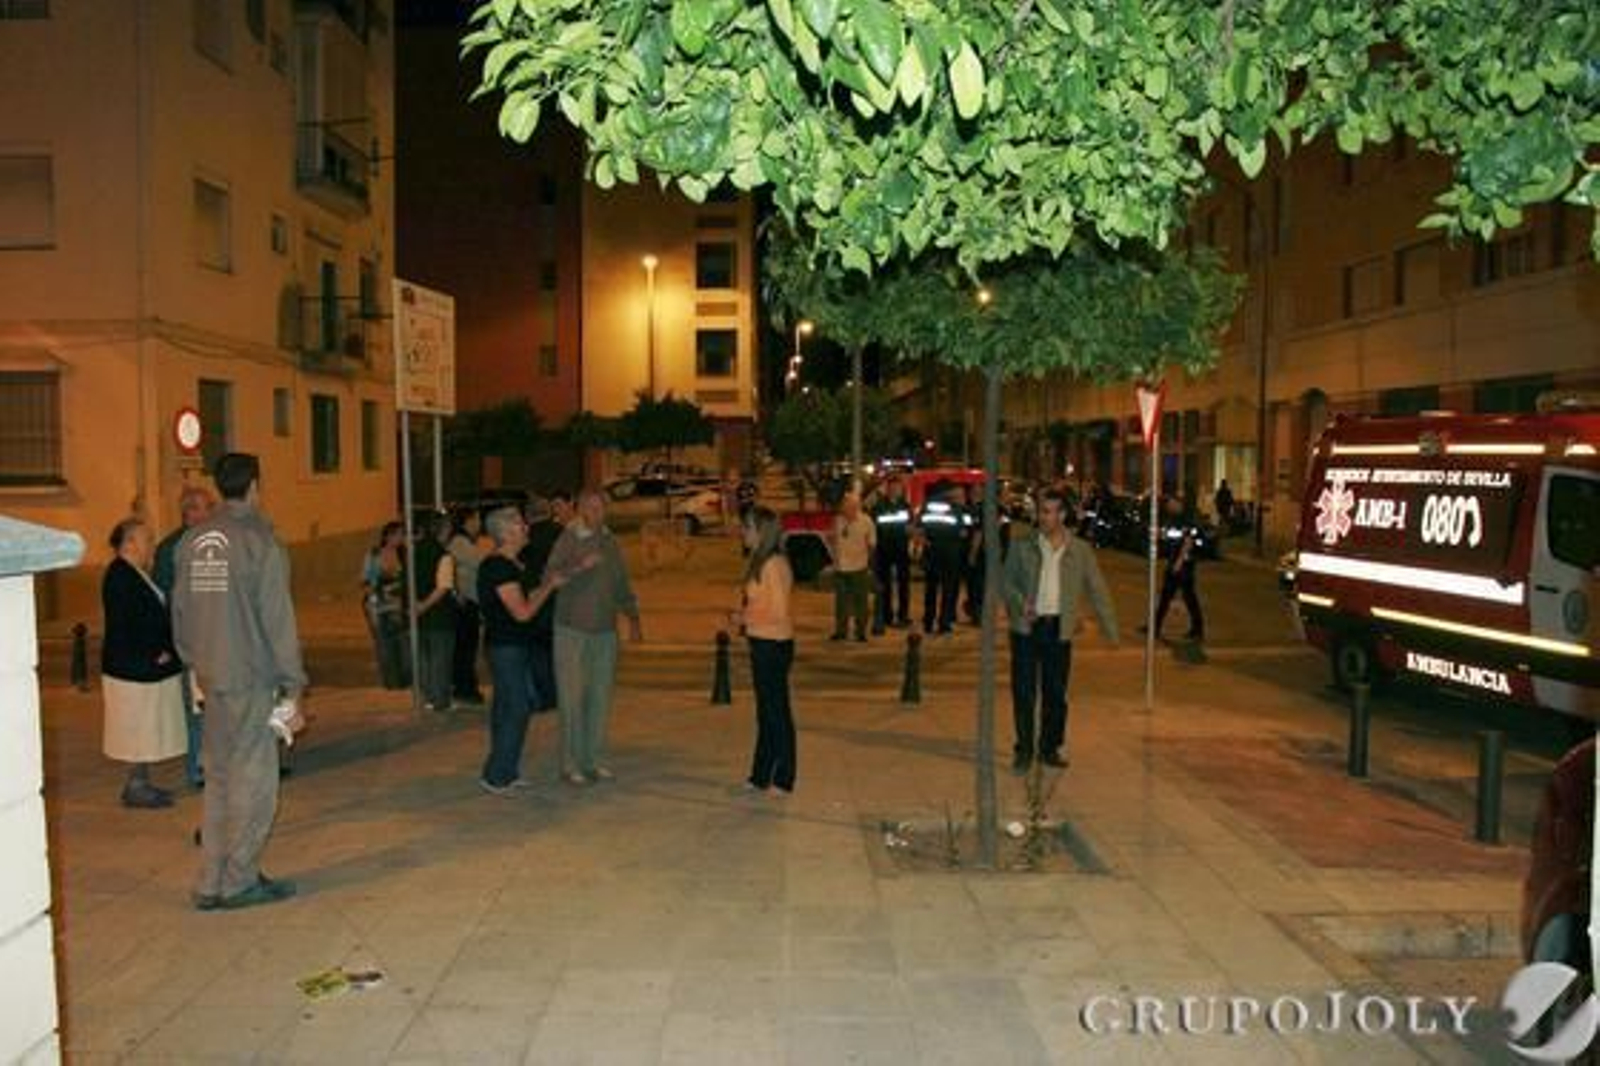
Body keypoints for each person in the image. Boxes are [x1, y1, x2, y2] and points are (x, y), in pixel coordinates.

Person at [172, 452, 307, 910]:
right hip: (250, 678)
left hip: (211, 677)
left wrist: (198, 663)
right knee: (256, 783)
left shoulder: (192, 540)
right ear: (254, 486)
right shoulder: (259, 541)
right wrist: (293, 683)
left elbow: (180, 613)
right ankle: (239, 879)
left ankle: (210, 880)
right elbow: (277, 619)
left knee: (219, 782)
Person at [1002, 489, 1119, 773]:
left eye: (1050, 511)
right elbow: (1006, 582)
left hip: (1059, 629)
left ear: (1062, 515)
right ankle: (1024, 750)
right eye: (1041, 511)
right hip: (1027, 629)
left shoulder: (1079, 550)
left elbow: (1097, 589)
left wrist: (1110, 629)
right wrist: (1021, 604)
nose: (1043, 517)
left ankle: (1049, 747)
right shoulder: (1022, 545)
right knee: (1024, 692)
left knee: (1055, 693)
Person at [476, 506, 585, 795]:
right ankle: (499, 776)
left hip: (516, 645)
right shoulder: (498, 567)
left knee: (509, 707)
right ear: (506, 532)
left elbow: (530, 598)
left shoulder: (515, 564)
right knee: (516, 708)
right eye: (521, 525)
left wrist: (554, 582)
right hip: (506, 647)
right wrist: (549, 586)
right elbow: (522, 613)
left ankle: (501, 771)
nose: (527, 528)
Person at [545, 489, 642, 786]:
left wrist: (633, 617)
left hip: (604, 631)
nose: (597, 512)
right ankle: (570, 763)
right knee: (572, 699)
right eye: (591, 507)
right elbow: (549, 577)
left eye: (601, 507)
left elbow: (621, 581)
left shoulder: (610, 541)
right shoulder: (568, 538)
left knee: (599, 698)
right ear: (580, 509)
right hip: (571, 629)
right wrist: (579, 566)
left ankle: (593, 760)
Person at [102, 517, 188, 808]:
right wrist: (155, 651)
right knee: (135, 729)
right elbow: (128, 622)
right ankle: (136, 786)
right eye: (147, 539)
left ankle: (140, 783)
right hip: (132, 667)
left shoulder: (134, 573)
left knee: (143, 728)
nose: (152, 544)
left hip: (140, 666)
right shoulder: (120, 575)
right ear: (129, 543)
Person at [731, 507, 797, 794]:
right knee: (766, 712)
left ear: (761, 531)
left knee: (776, 712)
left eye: (747, 528)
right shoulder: (763, 562)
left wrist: (743, 618)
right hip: (763, 641)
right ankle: (760, 774)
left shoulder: (772, 565)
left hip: (773, 643)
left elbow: (778, 611)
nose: (742, 533)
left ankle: (783, 776)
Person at [153, 485, 214, 789]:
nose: (209, 512)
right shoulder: (172, 549)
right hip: (189, 640)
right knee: (196, 708)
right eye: (204, 507)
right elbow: (163, 597)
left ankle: (211, 764)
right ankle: (196, 767)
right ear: (189, 512)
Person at [521, 495, 567, 711]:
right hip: (562, 602)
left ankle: (545, 696)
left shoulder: (525, 538)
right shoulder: (562, 534)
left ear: (528, 516)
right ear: (549, 512)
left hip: (535, 602)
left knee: (538, 653)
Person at [411, 511, 459, 712]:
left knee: (424, 659)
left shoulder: (412, 551)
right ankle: (441, 700)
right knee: (441, 659)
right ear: (443, 530)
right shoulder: (444, 555)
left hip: (418, 615)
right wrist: (425, 605)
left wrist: (415, 606)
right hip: (439, 615)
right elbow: (443, 587)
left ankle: (428, 697)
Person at [361, 522, 410, 690]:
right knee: (384, 646)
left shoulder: (404, 554)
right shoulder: (374, 555)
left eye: (402, 535)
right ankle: (391, 683)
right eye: (398, 534)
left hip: (399, 607)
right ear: (387, 536)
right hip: (379, 606)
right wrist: (374, 597)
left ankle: (405, 680)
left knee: (404, 645)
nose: (401, 538)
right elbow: (365, 581)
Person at [448, 507, 488, 705]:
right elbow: (482, 563)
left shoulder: (463, 542)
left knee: (465, 648)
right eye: (477, 519)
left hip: (467, 602)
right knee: (466, 649)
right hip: (464, 604)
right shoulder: (460, 543)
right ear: (468, 521)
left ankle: (463, 686)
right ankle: (465, 688)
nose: (479, 525)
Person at [1153, 498, 1206, 642]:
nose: (1169, 507)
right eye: (1168, 505)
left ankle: (1155, 627)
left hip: (1183, 565)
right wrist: (1161, 536)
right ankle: (1197, 629)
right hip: (1177, 562)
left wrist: (1178, 563)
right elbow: (1171, 537)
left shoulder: (1186, 520)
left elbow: (1188, 542)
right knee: (1181, 597)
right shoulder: (1174, 519)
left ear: (1179, 504)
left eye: (1171, 504)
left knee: (1176, 596)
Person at [917, 481, 964, 635]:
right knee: (948, 590)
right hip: (949, 553)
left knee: (930, 589)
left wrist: (924, 540)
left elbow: (918, 527)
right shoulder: (955, 507)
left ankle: (928, 622)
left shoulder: (927, 506)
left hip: (931, 552)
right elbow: (961, 531)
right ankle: (944, 624)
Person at [829, 492, 875, 642]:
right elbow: (832, 539)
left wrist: (867, 561)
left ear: (857, 507)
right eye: (845, 506)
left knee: (860, 602)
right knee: (841, 603)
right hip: (840, 568)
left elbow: (872, 543)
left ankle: (860, 631)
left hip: (859, 567)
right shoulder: (838, 520)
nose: (846, 509)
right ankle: (840, 631)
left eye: (850, 506)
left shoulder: (866, 521)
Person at [869, 477, 912, 631]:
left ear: (901, 490)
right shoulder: (878, 507)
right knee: (885, 585)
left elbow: (910, 527)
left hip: (901, 550)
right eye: (893, 488)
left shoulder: (906, 507)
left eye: (898, 488)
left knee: (904, 585)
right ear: (888, 489)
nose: (896, 491)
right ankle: (887, 616)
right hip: (884, 550)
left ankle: (903, 616)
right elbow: (873, 529)